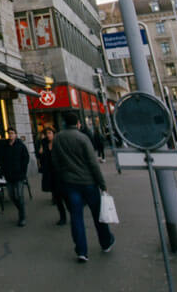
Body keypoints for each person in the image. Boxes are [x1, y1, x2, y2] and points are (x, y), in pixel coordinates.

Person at [52, 111, 113, 262]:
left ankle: (81, 251)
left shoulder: (58, 138)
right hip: (89, 183)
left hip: (70, 184)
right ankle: (105, 242)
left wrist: (64, 176)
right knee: (98, 214)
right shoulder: (83, 138)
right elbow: (93, 163)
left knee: (76, 216)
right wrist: (102, 184)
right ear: (78, 123)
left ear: (65, 123)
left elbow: (55, 162)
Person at [0, 127, 31, 226]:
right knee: (11, 195)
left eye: (12, 133)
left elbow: (26, 158)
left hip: (19, 175)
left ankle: (22, 217)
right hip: (9, 175)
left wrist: (23, 171)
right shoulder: (4, 146)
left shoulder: (20, 146)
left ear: (16, 134)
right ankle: (21, 208)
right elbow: (1, 158)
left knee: (19, 195)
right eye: (9, 133)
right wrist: (3, 169)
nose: (11, 135)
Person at [36, 127, 66, 226]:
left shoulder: (59, 143)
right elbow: (41, 158)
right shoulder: (44, 145)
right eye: (46, 133)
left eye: (50, 133)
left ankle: (73, 213)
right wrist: (40, 153)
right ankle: (63, 217)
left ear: (54, 133)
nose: (48, 135)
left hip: (61, 173)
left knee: (66, 196)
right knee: (57, 198)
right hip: (50, 174)